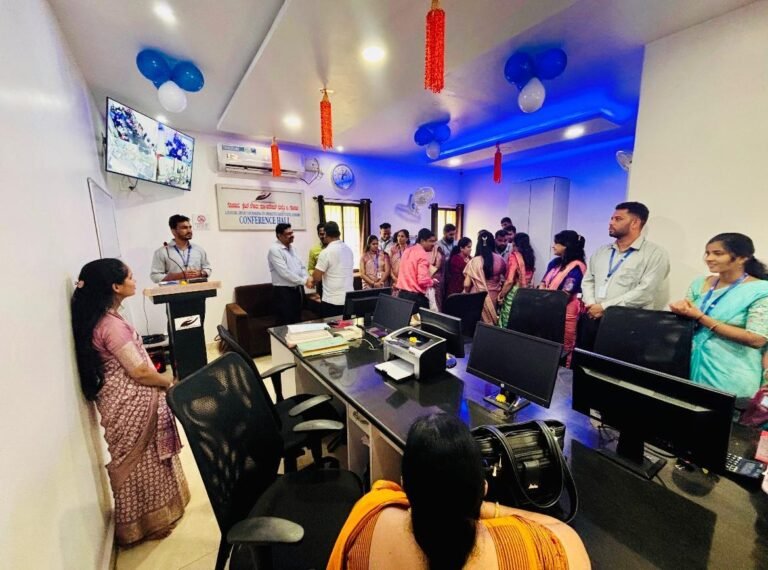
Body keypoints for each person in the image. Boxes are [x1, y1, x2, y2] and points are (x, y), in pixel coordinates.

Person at [327, 413, 590, 570]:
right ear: (483, 488)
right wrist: (480, 506)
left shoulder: (369, 517)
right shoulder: (534, 548)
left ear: (404, 485)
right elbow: (564, 534)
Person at [71, 259, 189, 547]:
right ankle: (146, 524)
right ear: (115, 286)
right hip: (129, 402)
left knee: (147, 462)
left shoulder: (105, 318)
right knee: (140, 463)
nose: (135, 281)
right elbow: (139, 371)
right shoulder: (110, 325)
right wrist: (167, 382)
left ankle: (157, 515)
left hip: (125, 400)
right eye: (131, 277)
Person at [670, 233, 768, 397]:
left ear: (742, 258)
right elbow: (688, 318)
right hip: (689, 363)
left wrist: (701, 317)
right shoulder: (700, 283)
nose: (709, 258)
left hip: (731, 373)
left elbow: (757, 339)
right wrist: (680, 310)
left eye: (718, 253)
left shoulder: (761, 290)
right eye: (707, 253)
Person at [582, 202, 670, 319]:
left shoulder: (655, 254)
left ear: (635, 223)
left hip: (629, 321)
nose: (611, 223)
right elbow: (588, 281)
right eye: (611, 218)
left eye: (618, 219)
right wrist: (591, 304)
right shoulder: (601, 252)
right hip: (593, 317)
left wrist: (604, 307)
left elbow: (646, 292)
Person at [540, 231, 587, 365]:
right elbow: (543, 282)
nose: (553, 246)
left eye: (556, 243)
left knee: (566, 344)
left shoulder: (577, 267)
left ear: (566, 246)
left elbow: (565, 294)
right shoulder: (555, 263)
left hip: (567, 311)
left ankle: (563, 371)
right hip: (548, 307)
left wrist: (544, 295)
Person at [268, 223, 313, 325]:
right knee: (285, 322)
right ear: (279, 235)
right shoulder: (274, 250)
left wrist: (306, 278)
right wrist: (304, 281)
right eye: (288, 234)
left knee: (297, 320)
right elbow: (284, 272)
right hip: (283, 292)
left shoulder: (293, 249)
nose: (292, 236)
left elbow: (301, 267)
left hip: (296, 290)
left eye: (292, 233)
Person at [150, 214, 212, 283]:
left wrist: (201, 273)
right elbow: (155, 276)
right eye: (184, 228)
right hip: (174, 289)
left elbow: (208, 269)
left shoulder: (199, 250)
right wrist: (178, 276)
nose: (189, 231)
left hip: (198, 288)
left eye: (190, 227)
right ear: (173, 231)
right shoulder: (162, 252)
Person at [464, 230, 507, 325]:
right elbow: (506, 279)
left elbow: (467, 284)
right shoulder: (500, 259)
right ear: (492, 243)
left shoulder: (474, 261)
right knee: (489, 325)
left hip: (476, 296)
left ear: (478, 244)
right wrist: (502, 295)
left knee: (476, 324)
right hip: (493, 296)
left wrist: (466, 293)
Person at [313, 221, 355, 317]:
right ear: (338, 233)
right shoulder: (349, 250)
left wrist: (311, 279)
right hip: (348, 299)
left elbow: (317, 278)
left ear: (326, 234)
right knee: (348, 326)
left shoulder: (326, 252)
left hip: (332, 301)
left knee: (331, 326)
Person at [498, 232, 536, 329]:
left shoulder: (514, 256)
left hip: (515, 292)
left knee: (508, 319)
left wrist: (501, 295)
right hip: (527, 292)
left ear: (515, 243)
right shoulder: (530, 257)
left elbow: (510, 280)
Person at [396, 228, 439, 310]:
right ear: (422, 241)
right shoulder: (422, 254)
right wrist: (432, 282)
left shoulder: (407, 250)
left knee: (404, 318)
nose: (433, 244)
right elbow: (422, 281)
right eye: (431, 241)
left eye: (434, 241)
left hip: (401, 296)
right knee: (421, 319)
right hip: (415, 300)